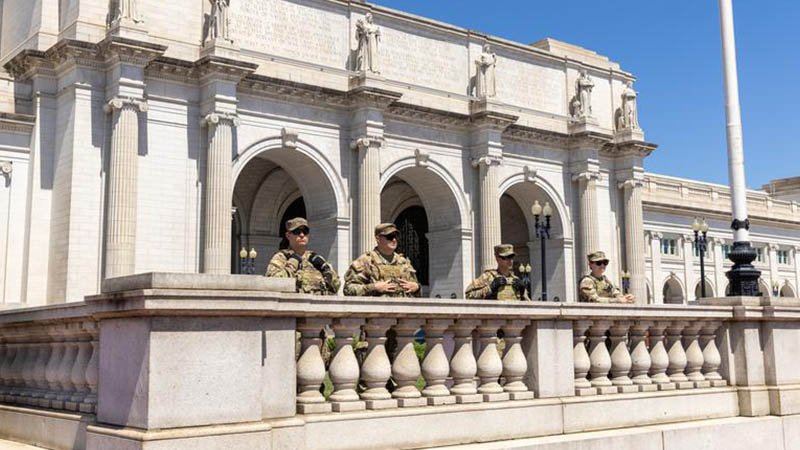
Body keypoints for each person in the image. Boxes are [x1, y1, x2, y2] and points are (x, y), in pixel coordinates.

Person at [266, 217, 340, 295]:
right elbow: (273, 283)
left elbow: (336, 286)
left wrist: (326, 269)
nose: (302, 235)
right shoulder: (281, 258)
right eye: (297, 232)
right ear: (288, 235)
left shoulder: (315, 259)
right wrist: (293, 262)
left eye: (305, 232)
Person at [343, 223, 420, 297]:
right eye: (389, 237)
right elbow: (348, 289)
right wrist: (374, 288)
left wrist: (416, 288)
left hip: (402, 305)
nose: (394, 240)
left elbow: (417, 291)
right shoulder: (366, 261)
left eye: (396, 236)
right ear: (378, 238)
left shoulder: (403, 262)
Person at [465, 244, 530, 300]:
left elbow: (527, 305)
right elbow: (468, 295)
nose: (510, 261)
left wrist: (522, 292)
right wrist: (490, 288)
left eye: (511, 257)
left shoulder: (516, 280)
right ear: (497, 258)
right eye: (506, 257)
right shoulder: (487, 277)